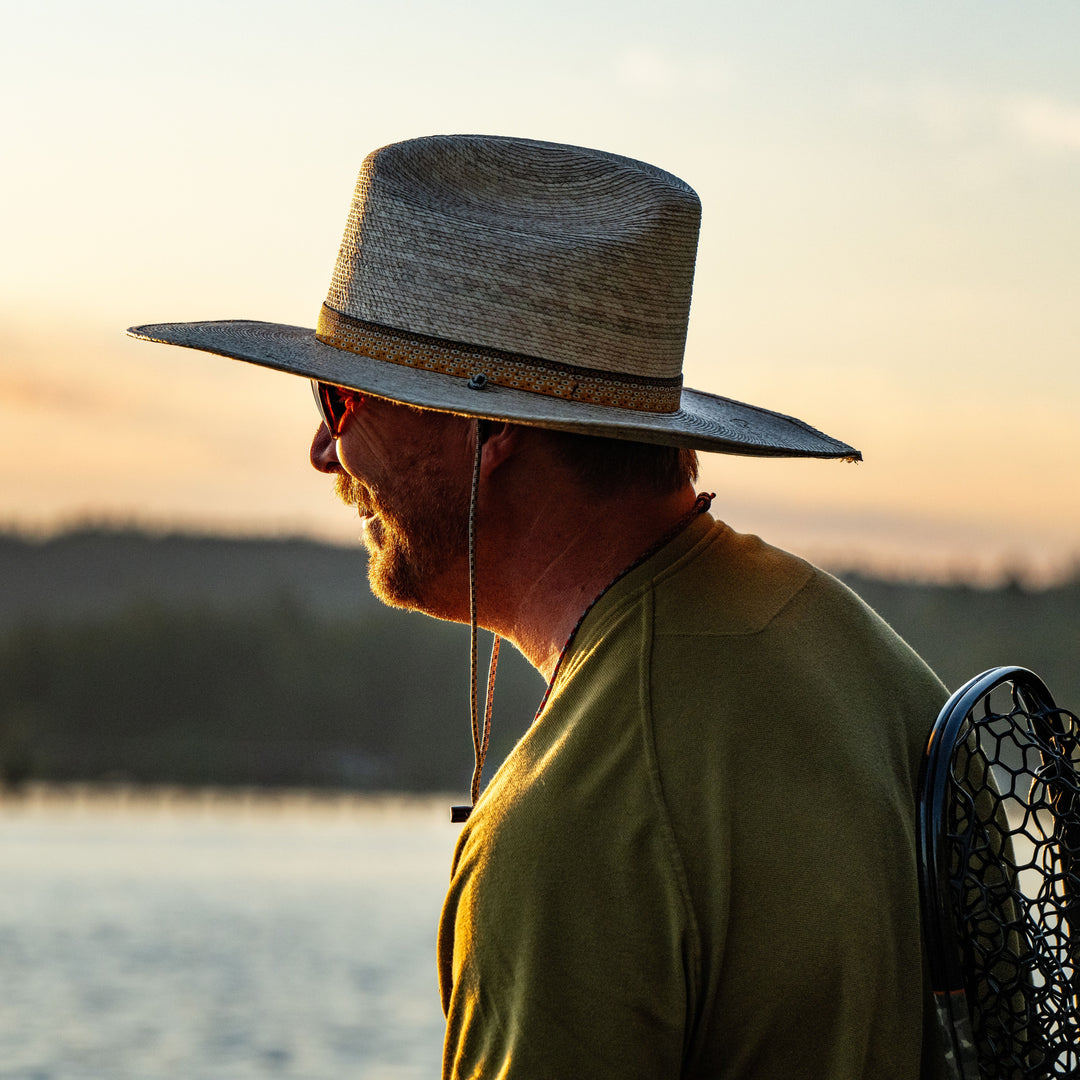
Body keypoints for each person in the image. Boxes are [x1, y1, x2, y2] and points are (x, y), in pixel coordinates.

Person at [129, 134, 948, 1079]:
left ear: (492, 429)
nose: (322, 451)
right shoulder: (850, 649)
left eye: (342, 399)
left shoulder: (569, 831)